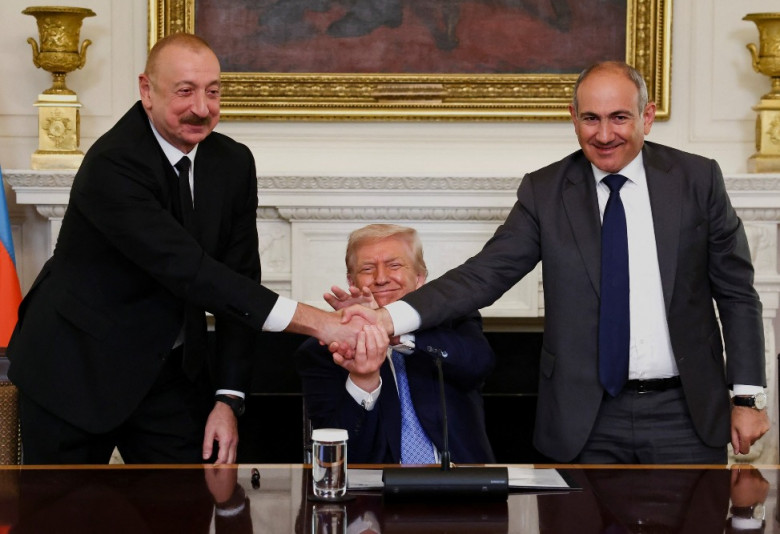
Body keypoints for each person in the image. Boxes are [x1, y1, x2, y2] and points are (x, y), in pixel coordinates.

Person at [343, 61, 769, 464]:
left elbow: (736, 293)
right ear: (573, 118)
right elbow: (483, 275)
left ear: (648, 116)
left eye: (619, 118)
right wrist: (387, 319)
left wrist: (748, 397)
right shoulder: (545, 191)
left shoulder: (697, 180)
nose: (604, 134)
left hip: (686, 413)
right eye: (591, 119)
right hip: (585, 418)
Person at [6, 33, 363, 465]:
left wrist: (228, 399)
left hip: (169, 371)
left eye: (213, 92)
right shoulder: (113, 164)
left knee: (192, 498)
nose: (202, 108)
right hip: (74, 368)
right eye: (185, 91)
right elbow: (194, 273)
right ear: (146, 90)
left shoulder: (233, 163)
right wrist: (322, 324)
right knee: (62, 505)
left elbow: (239, 281)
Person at [296, 224, 495, 464]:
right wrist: (362, 380)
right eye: (367, 269)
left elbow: (480, 365)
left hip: (461, 479)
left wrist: (398, 334)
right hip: (374, 484)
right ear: (351, 280)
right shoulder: (325, 350)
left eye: (394, 266)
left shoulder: (454, 320)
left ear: (420, 277)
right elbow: (337, 455)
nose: (381, 278)